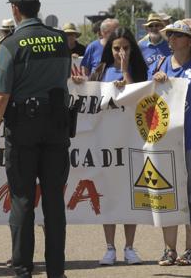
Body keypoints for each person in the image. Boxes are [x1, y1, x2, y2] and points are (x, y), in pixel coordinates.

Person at [0, 0, 71, 278]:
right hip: (57, 127)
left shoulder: (10, 45)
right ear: (37, 6)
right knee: (54, 201)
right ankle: (57, 270)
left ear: (15, 9)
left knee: (22, 200)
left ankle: (22, 270)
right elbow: (64, 77)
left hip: (24, 130)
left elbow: (0, 96)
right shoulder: (59, 41)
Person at [72, 28, 147, 265]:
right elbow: (89, 100)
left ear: (132, 48)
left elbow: (138, 98)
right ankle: (110, 247)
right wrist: (80, 84)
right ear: (109, 49)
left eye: (125, 47)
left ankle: (130, 247)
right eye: (116, 48)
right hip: (104, 144)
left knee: (129, 194)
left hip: (131, 141)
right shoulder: (101, 71)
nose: (121, 52)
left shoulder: (139, 70)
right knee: (108, 194)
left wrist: (125, 73)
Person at [151, 19, 191, 267]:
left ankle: (190, 250)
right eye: (171, 35)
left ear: (189, 41)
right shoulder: (161, 63)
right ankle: (169, 249)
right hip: (166, 139)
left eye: (178, 35)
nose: (171, 38)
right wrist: (156, 79)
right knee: (168, 194)